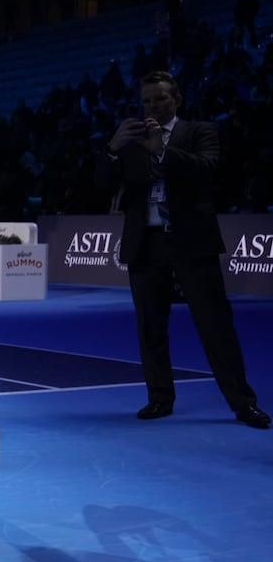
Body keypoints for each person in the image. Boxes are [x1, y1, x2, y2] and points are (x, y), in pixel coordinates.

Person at [101, 70, 267, 428]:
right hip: (146, 243)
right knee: (151, 328)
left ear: (176, 100)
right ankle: (160, 399)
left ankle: (242, 403)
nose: (152, 106)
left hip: (192, 242)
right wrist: (112, 151)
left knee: (216, 326)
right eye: (146, 100)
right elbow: (100, 184)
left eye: (160, 99)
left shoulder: (200, 132)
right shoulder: (129, 140)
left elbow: (208, 170)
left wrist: (163, 150)